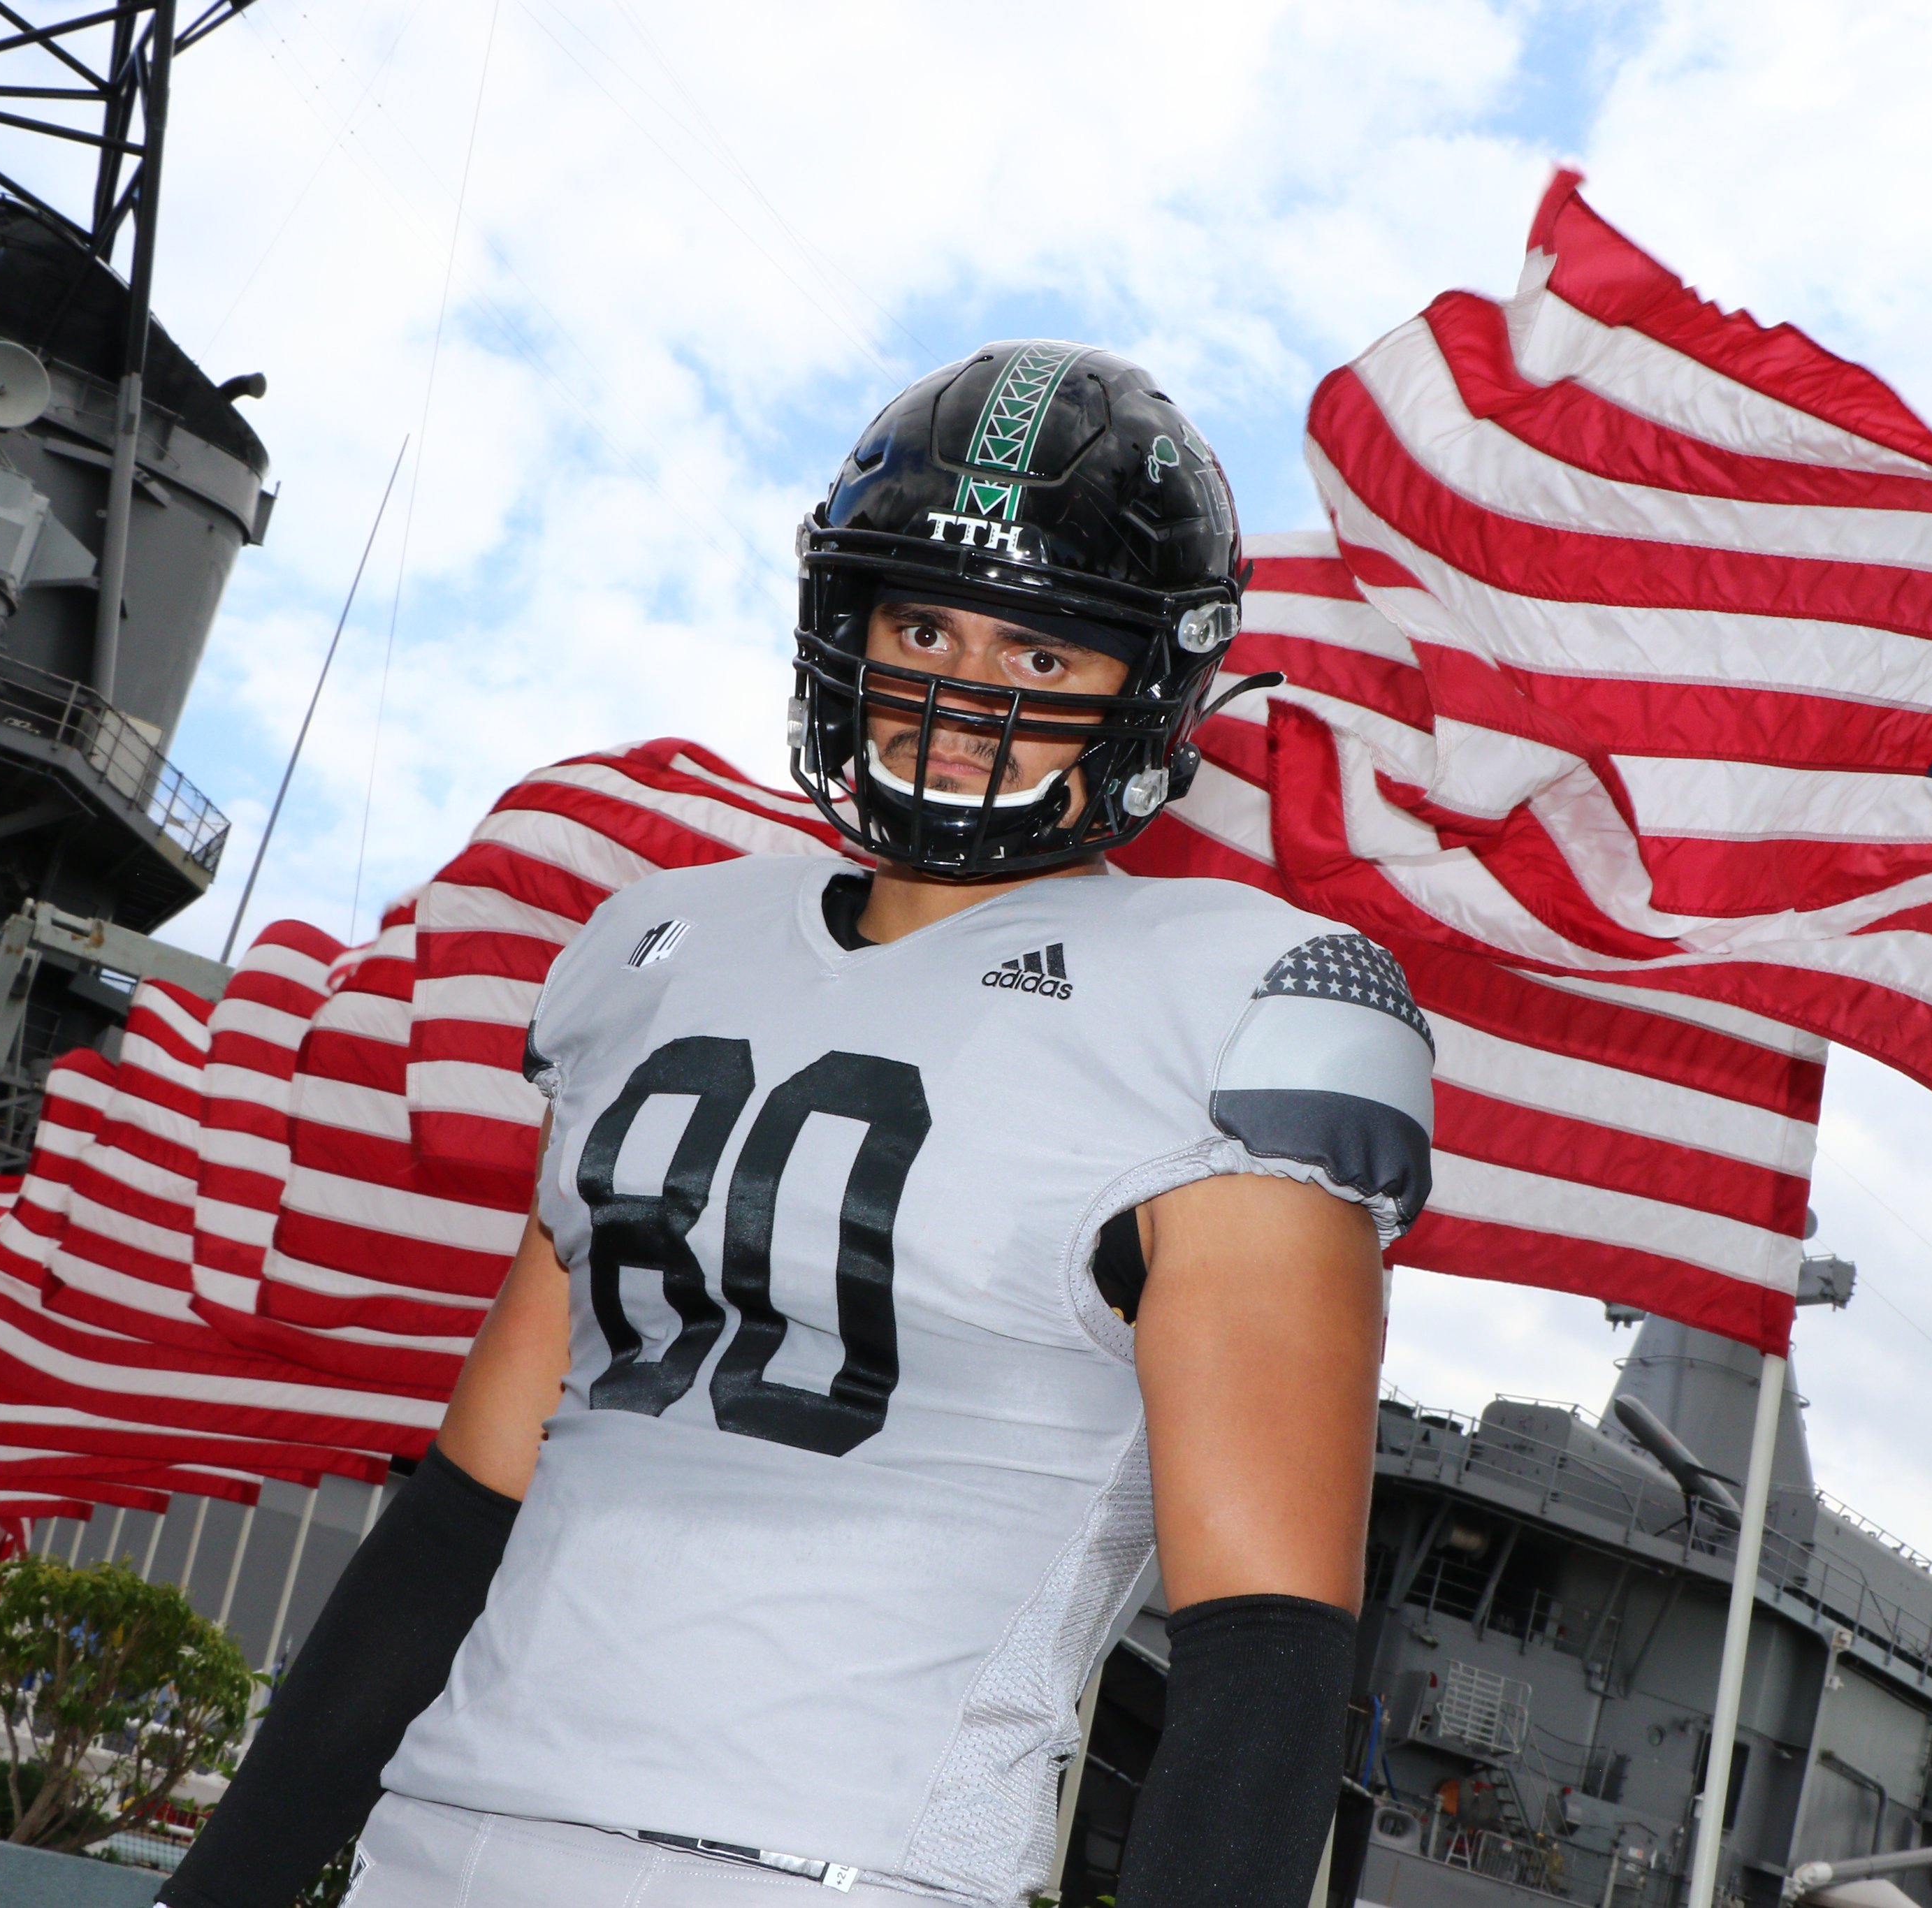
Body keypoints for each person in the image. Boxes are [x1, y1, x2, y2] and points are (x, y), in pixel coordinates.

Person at [161, 342, 1435, 1908]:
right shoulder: (656, 948)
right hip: (436, 1840)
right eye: (922, 624)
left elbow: (1267, 1644)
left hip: (823, 1868)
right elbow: (462, 1513)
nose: (965, 694)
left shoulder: (1237, 1001)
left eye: (1042, 657)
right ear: (845, 625)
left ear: (1152, 685)